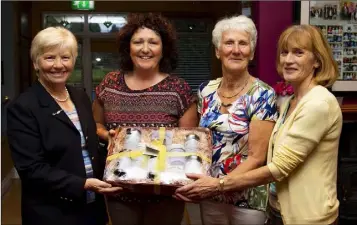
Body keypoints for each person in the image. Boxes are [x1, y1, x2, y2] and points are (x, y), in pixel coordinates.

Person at [175, 24, 342, 225]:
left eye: (299, 53)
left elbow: (277, 165)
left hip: (308, 215)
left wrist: (217, 185)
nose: (288, 60)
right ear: (217, 51)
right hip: (279, 208)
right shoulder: (290, 101)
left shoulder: (317, 103)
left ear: (316, 60)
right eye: (285, 53)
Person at [7, 27, 120, 225]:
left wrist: (113, 145)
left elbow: (86, 147)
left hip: (92, 207)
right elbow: (32, 169)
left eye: (65, 58)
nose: (58, 65)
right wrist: (83, 184)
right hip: (53, 213)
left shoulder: (80, 96)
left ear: (73, 61)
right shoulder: (23, 107)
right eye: (49, 58)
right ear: (36, 63)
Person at [93, 13, 198, 225]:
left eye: (153, 42)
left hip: (166, 192)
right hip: (120, 190)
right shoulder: (110, 84)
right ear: (128, 47)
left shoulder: (179, 89)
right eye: (138, 42)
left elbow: (188, 146)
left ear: (163, 48)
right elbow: (95, 124)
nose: (145, 49)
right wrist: (108, 136)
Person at [175, 15, 278, 225]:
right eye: (229, 43)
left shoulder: (263, 94)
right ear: (217, 51)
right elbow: (198, 144)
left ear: (252, 52)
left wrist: (218, 184)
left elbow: (257, 158)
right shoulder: (205, 91)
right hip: (210, 194)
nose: (236, 50)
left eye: (243, 43)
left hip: (248, 198)